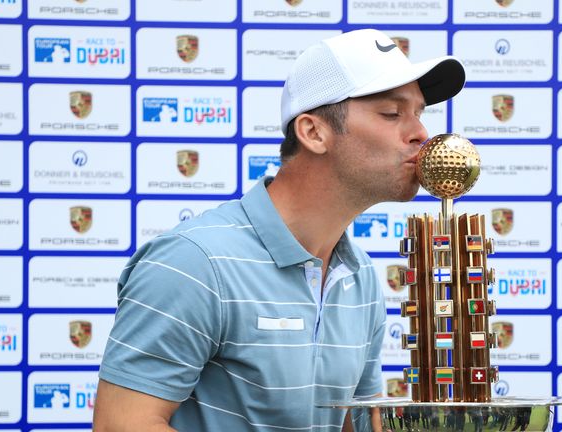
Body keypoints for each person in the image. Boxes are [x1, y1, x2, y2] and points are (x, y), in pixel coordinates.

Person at [92, 28, 465, 431]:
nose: (422, 135)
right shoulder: (194, 263)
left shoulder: (359, 278)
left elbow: (351, 425)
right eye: (392, 113)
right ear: (313, 132)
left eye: (420, 113)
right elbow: (122, 424)